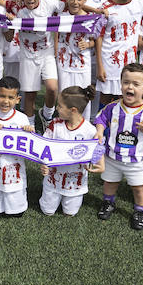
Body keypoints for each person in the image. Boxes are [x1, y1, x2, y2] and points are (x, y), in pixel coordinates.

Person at [95, 62, 143, 231]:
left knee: (139, 188)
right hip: (112, 156)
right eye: (126, 82)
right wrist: (100, 131)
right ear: (120, 84)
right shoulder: (113, 107)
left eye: (136, 84)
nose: (130, 87)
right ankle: (108, 203)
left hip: (137, 160)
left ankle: (139, 212)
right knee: (110, 182)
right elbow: (100, 119)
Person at [39, 86, 104, 216]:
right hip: (54, 178)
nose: (57, 108)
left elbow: (98, 149)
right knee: (47, 211)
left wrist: (101, 165)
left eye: (60, 106)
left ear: (73, 110)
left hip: (75, 183)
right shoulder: (55, 125)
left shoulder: (89, 131)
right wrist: (43, 164)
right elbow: (44, 146)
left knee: (70, 213)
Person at [0, 77, 34, 216]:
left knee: (17, 211)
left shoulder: (22, 118)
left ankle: (15, 207)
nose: (6, 101)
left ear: (18, 99)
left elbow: (30, 144)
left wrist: (29, 131)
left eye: (11, 97)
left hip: (14, 166)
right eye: (2, 96)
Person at [96, 0, 143, 107]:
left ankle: (121, 126)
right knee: (106, 97)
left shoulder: (140, 4)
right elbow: (99, 37)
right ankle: (103, 126)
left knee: (126, 95)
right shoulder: (107, 8)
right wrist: (100, 66)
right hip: (109, 61)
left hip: (129, 61)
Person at [13, 0, 63, 121]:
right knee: (30, 94)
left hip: (46, 54)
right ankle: (31, 125)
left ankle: (46, 115)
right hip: (27, 55)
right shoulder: (17, 8)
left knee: (52, 88)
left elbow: (71, 4)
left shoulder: (50, 5)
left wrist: (95, 10)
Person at [54, 0, 99, 116]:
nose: (75, 2)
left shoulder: (89, 19)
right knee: (64, 93)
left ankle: (83, 122)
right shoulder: (61, 17)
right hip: (64, 63)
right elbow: (55, 34)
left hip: (82, 64)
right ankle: (64, 121)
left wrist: (88, 45)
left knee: (83, 95)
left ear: (84, 0)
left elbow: (94, 40)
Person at [0, 0, 30, 84]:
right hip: (11, 45)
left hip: (30, 44)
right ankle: (11, 104)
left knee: (27, 80)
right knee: (11, 79)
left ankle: (25, 104)